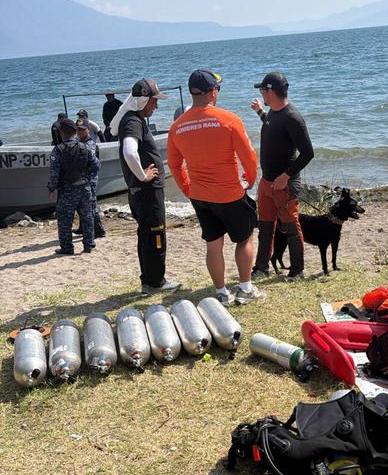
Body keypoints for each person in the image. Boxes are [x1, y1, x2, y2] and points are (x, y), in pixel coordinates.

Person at [167, 68, 263, 307]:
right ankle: (245, 289)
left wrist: (187, 189)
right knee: (244, 239)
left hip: (200, 195)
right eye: (217, 88)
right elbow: (249, 157)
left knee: (213, 243)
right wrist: (250, 180)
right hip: (229, 193)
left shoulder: (177, 126)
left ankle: (221, 292)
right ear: (212, 92)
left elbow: (174, 164)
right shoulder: (229, 120)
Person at [111, 77, 181, 295]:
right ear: (142, 101)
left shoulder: (132, 119)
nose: (156, 105)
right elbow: (129, 151)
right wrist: (143, 176)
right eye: (154, 101)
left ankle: (149, 280)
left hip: (142, 192)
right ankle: (155, 282)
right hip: (147, 191)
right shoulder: (132, 121)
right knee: (156, 234)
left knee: (146, 235)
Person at [250, 72, 314, 280]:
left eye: (262, 90)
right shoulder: (273, 113)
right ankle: (261, 268)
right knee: (265, 226)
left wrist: (286, 176)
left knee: (290, 227)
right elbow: (270, 126)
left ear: (270, 92)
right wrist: (260, 112)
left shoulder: (292, 118)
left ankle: (297, 271)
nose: (261, 93)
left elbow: (308, 153)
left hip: (284, 183)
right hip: (267, 181)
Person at [47, 118, 98, 256]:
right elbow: (96, 166)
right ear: (74, 132)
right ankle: (88, 246)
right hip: (84, 187)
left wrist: (51, 188)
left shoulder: (58, 150)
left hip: (67, 190)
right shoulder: (85, 147)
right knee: (87, 217)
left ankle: (67, 248)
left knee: (64, 220)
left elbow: (54, 174)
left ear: (61, 133)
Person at [73, 118, 106, 239]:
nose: (80, 132)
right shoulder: (79, 142)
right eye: (78, 130)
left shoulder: (89, 144)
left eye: (82, 130)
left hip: (89, 178)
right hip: (82, 178)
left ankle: (99, 230)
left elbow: (95, 164)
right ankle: (83, 227)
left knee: (91, 204)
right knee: (82, 203)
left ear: (88, 129)